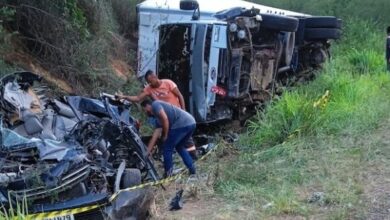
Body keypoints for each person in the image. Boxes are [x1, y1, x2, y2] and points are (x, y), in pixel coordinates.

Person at [116, 70, 197, 159]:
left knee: (185, 137)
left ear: (155, 77)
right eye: (148, 82)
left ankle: (193, 155)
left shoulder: (168, 83)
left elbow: (180, 96)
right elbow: (138, 98)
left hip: (177, 115)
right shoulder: (149, 89)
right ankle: (154, 155)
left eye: (151, 81)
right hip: (163, 116)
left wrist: (183, 110)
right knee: (161, 135)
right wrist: (124, 97)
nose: (150, 84)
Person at [141, 99, 196, 176]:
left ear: (147, 106)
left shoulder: (155, 105)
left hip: (182, 124)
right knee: (179, 147)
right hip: (191, 122)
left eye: (145, 110)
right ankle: (192, 170)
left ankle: (168, 174)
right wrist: (147, 152)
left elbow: (165, 119)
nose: (146, 112)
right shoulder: (158, 117)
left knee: (167, 148)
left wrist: (166, 135)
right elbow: (155, 136)